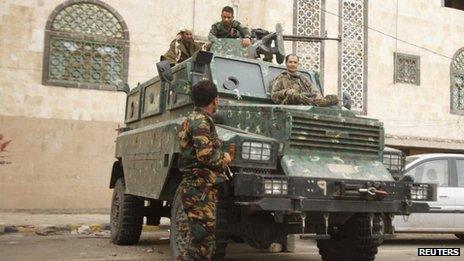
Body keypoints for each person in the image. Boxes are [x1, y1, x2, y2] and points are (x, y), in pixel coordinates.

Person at [177, 80, 232, 260]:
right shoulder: (200, 122)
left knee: (198, 243)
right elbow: (205, 156)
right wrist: (224, 159)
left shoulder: (194, 118)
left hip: (198, 187)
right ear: (214, 100)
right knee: (202, 246)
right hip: (199, 189)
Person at [270, 54, 339, 106]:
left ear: (298, 64)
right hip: (290, 104)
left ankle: (314, 104)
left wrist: (318, 96)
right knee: (294, 95)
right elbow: (274, 96)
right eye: (290, 62)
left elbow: (314, 90)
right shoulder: (280, 78)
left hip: (308, 101)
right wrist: (286, 92)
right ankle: (311, 103)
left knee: (334, 98)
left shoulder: (303, 78)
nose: (293, 64)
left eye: (295, 62)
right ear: (286, 63)